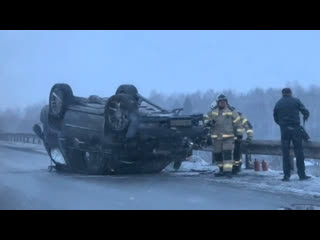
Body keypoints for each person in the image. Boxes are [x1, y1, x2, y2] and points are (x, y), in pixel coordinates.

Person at [273, 88, 311, 181]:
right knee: (299, 152)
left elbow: (275, 117)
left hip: (284, 130)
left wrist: (282, 124)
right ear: (290, 93)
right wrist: (305, 117)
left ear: (282, 94)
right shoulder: (296, 101)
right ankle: (302, 175)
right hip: (295, 129)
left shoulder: (278, 103)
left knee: (285, 153)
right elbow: (305, 112)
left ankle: (286, 176)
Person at [204, 94, 242, 177]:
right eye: (221, 102)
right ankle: (221, 170)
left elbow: (238, 123)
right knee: (218, 154)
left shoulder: (231, 111)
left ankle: (227, 171)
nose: (222, 103)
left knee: (227, 153)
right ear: (218, 103)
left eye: (224, 102)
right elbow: (206, 119)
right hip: (216, 137)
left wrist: (239, 134)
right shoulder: (213, 112)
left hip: (228, 136)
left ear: (226, 102)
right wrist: (209, 123)